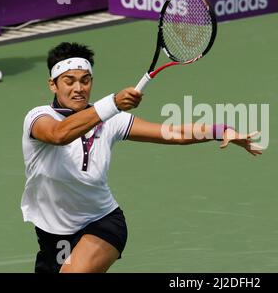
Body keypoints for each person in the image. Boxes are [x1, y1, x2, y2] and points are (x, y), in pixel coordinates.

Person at [21, 42, 262, 273]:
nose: (78, 88)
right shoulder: (39, 117)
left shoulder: (112, 120)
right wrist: (113, 103)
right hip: (52, 233)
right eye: (69, 81)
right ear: (53, 85)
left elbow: (173, 133)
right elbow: (59, 134)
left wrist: (220, 130)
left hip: (101, 222)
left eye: (85, 81)